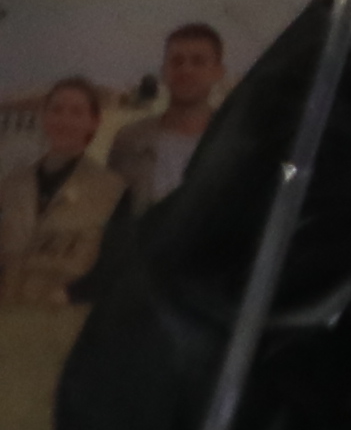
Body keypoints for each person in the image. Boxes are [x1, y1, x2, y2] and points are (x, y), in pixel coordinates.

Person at [5, 75, 118, 303]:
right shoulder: (11, 185)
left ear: (94, 121)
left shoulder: (112, 191)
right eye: (56, 110)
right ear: (44, 117)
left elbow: (117, 266)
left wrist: (71, 294)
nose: (64, 120)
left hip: (68, 321)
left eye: (76, 112)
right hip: (8, 318)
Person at [116, 22, 223, 211]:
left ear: (217, 72)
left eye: (198, 61)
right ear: (163, 71)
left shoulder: (234, 140)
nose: (186, 70)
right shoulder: (130, 142)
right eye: (177, 61)